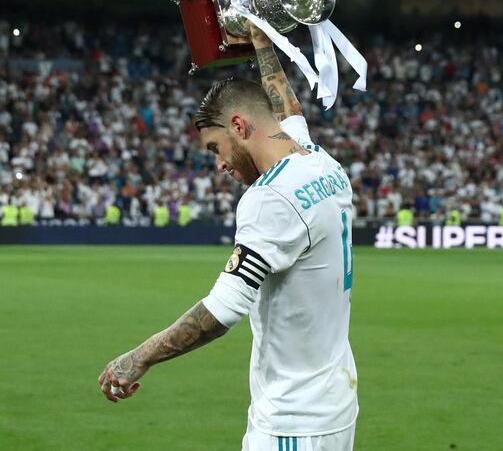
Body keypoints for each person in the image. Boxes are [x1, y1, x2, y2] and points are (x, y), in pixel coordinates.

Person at [99, 23, 358, 451]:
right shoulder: (319, 160)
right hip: (333, 406)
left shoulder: (269, 197)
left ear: (238, 125)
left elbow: (222, 310)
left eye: (215, 147)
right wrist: (260, 39)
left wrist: (137, 358)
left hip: (293, 422)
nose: (219, 163)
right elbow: (285, 106)